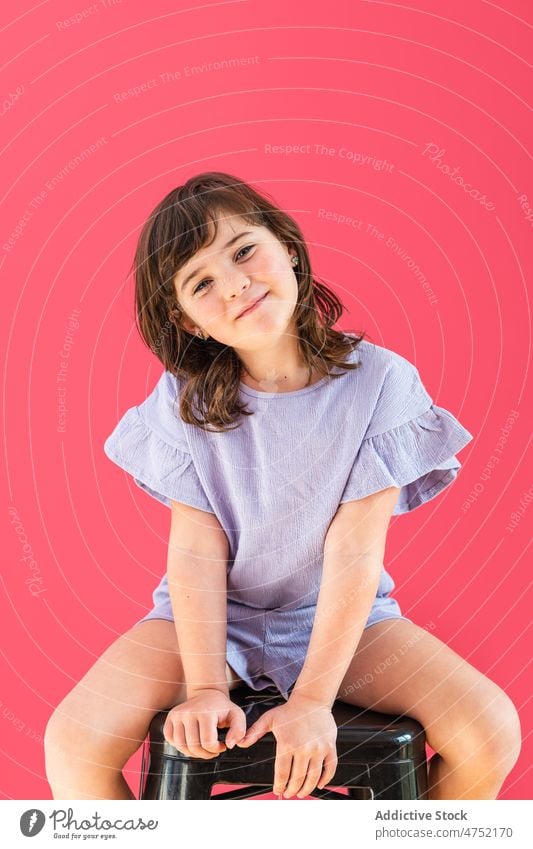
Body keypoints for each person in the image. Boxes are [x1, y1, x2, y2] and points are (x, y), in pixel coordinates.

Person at [44, 171, 521, 801]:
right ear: (190, 324)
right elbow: (196, 552)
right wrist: (207, 682)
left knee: (489, 729)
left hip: (346, 623)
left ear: (288, 248)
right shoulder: (184, 402)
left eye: (243, 251)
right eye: (201, 283)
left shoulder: (380, 382)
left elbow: (354, 552)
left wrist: (313, 700)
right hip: (215, 616)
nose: (236, 284)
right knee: (74, 738)